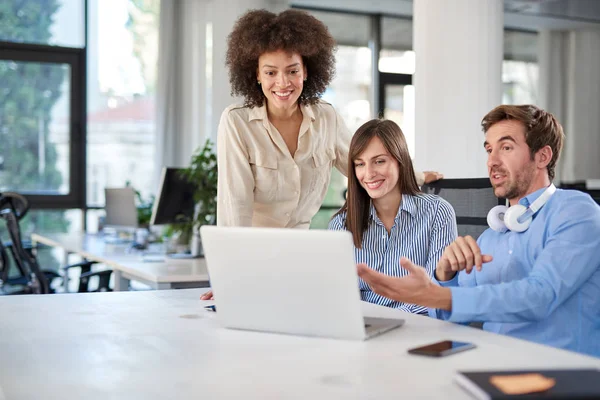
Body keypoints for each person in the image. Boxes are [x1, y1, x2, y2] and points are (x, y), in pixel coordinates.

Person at [202, 9, 441, 300]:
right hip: (253, 254)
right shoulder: (237, 122)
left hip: (302, 256)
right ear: (255, 74)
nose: (283, 82)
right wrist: (229, 275)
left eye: (292, 70)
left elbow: (359, 162)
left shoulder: (325, 118)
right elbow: (234, 203)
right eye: (271, 72)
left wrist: (414, 175)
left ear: (306, 70)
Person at [357, 104, 600, 357]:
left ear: (543, 156)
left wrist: (436, 296)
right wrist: (444, 275)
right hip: (493, 363)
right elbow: (449, 321)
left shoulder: (575, 211)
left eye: (506, 148)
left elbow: (540, 296)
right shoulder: (492, 236)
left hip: (564, 370)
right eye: (489, 150)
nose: (492, 161)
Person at [328, 119, 457, 314]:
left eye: (379, 161)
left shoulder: (437, 212)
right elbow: (338, 297)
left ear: (400, 161)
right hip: (364, 326)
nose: (369, 174)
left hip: (420, 325)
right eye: (360, 164)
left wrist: (393, 319)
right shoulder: (341, 225)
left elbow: (436, 293)